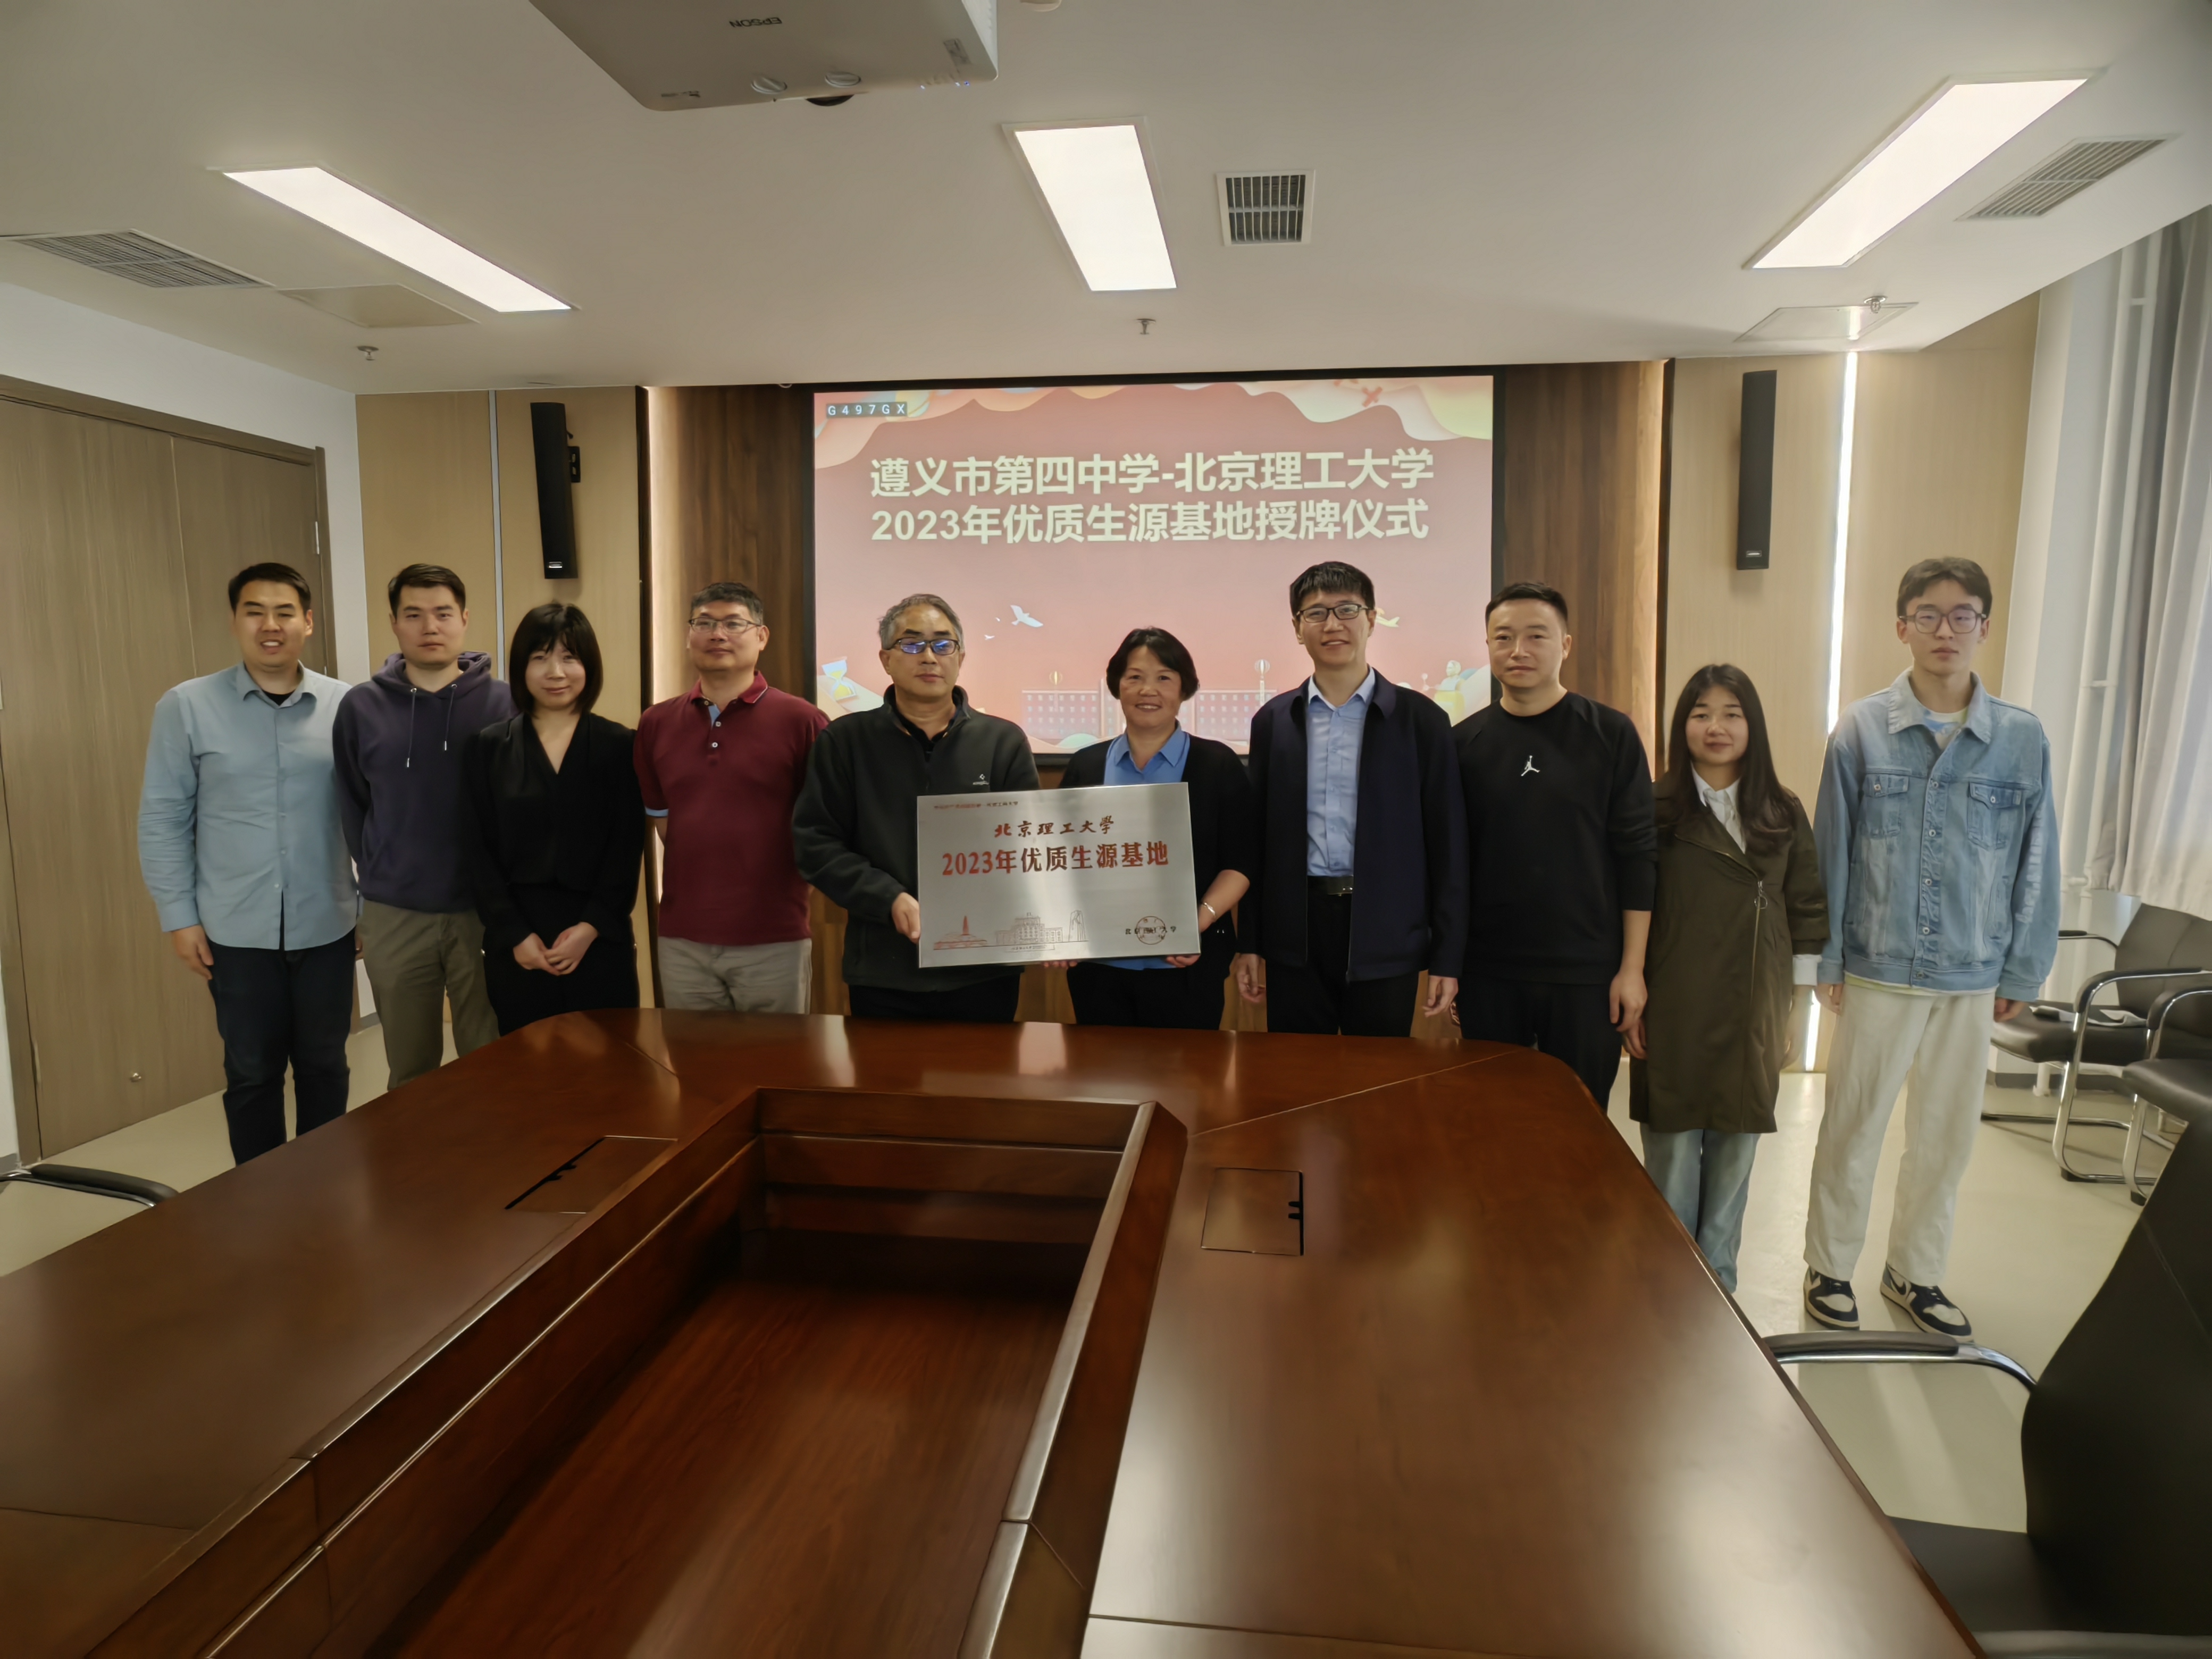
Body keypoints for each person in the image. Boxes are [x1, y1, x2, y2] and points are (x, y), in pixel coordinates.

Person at [1803, 558, 2058, 1338]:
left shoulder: (2021, 738)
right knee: (1853, 1127)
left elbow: (2037, 859)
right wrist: (1829, 959)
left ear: (1984, 626)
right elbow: (1830, 853)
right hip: (1878, 967)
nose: (1945, 630)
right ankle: (1828, 1266)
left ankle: (1914, 1272)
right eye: (1927, 615)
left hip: (1972, 971)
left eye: (1961, 615)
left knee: (1945, 1139)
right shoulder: (1859, 729)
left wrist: (2023, 969)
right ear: (1901, 626)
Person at [138, 563, 357, 1164]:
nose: (270, 625)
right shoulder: (186, 706)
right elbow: (163, 818)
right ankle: (258, 1199)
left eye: (284, 612)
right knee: (252, 1072)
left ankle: (321, 1188)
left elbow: (370, 814)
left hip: (328, 922)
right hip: (233, 929)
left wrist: (366, 903)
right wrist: (179, 917)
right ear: (235, 622)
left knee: (325, 1065)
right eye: (254, 612)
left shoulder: (346, 706)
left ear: (308, 622)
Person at [1625, 665, 1826, 1293]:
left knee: (1736, 1154)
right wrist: (1632, 1000)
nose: (1715, 727)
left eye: (1731, 714)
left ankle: (1718, 1291)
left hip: (1753, 1006)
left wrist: (1793, 1011)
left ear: (1751, 726)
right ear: (1680, 725)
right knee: (1671, 1154)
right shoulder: (1651, 807)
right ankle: (1669, 1287)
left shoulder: (1781, 810)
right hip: (1673, 1001)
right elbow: (1626, 907)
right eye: (1700, 713)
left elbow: (1806, 909)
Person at [1236, 561, 1465, 1037]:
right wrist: (1251, 943)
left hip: (1387, 930)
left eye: (1347, 610)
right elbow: (1256, 843)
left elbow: (1448, 844)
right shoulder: (1274, 722)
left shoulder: (1421, 721)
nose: (1332, 625)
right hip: (1296, 934)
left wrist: (1448, 957)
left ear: (1372, 620)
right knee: (1297, 1072)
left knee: (1378, 1075)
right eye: (1316, 613)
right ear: (1297, 628)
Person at [1452, 581, 1655, 1107]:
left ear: (1565, 645)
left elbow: (1637, 856)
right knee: (1494, 1119)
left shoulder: (1610, 734)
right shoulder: (1462, 744)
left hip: (1587, 973)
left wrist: (1632, 969)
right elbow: (1451, 865)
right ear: (1488, 645)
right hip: (1490, 972)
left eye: (1536, 636)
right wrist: (1452, 966)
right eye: (1503, 637)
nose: (1517, 650)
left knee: (1580, 1123)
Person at [793, 593, 1037, 1022]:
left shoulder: (1003, 742)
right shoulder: (845, 741)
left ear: (961, 658)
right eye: (911, 644)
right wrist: (889, 898)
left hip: (983, 967)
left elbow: (1028, 845)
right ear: (886, 659)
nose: (929, 657)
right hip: (884, 967)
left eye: (943, 644)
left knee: (985, 1069)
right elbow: (817, 844)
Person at [333, 564, 515, 1091]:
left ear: (464, 619)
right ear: (394, 623)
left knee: (494, 1060)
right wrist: (380, 874)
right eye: (413, 615)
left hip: (485, 912)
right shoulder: (361, 707)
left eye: (442, 614)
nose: (429, 627)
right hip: (395, 914)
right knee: (410, 1070)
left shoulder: (504, 703)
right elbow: (354, 804)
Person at [636, 581, 827, 1014]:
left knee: (774, 1053)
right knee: (692, 1054)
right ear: (688, 636)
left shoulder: (803, 721)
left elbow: (824, 827)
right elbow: (665, 822)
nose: (717, 634)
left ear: (762, 636)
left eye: (733, 624)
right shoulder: (656, 723)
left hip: (774, 938)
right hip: (682, 938)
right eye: (704, 623)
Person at [459, 604, 646, 1034]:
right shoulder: (488, 748)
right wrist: (514, 934)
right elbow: (477, 850)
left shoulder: (621, 745)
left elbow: (626, 847)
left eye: (569, 657)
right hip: (518, 939)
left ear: (589, 666)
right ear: (521, 667)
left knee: (608, 1061)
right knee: (528, 1065)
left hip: (600, 937)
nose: (555, 672)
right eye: (540, 657)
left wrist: (591, 927)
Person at [1062, 628, 1256, 1029]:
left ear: (1184, 688)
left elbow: (1240, 862)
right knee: (1099, 1069)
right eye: (1134, 677)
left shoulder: (1217, 764)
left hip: (1187, 963)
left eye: (1164, 677)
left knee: (1189, 1070)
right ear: (1117, 686)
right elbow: (1063, 861)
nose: (1147, 690)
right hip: (1099, 967)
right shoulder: (1086, 765)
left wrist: (1195, 923)